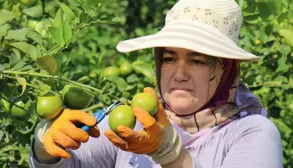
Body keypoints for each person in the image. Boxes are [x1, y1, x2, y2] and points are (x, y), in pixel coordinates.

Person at [29, 0, 283, 167]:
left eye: (197, 61)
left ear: (226, 68)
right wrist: (47, 144)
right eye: (170, 58)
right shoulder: (137, 120)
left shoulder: (252, 132)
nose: (179, 74)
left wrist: (171, 155)